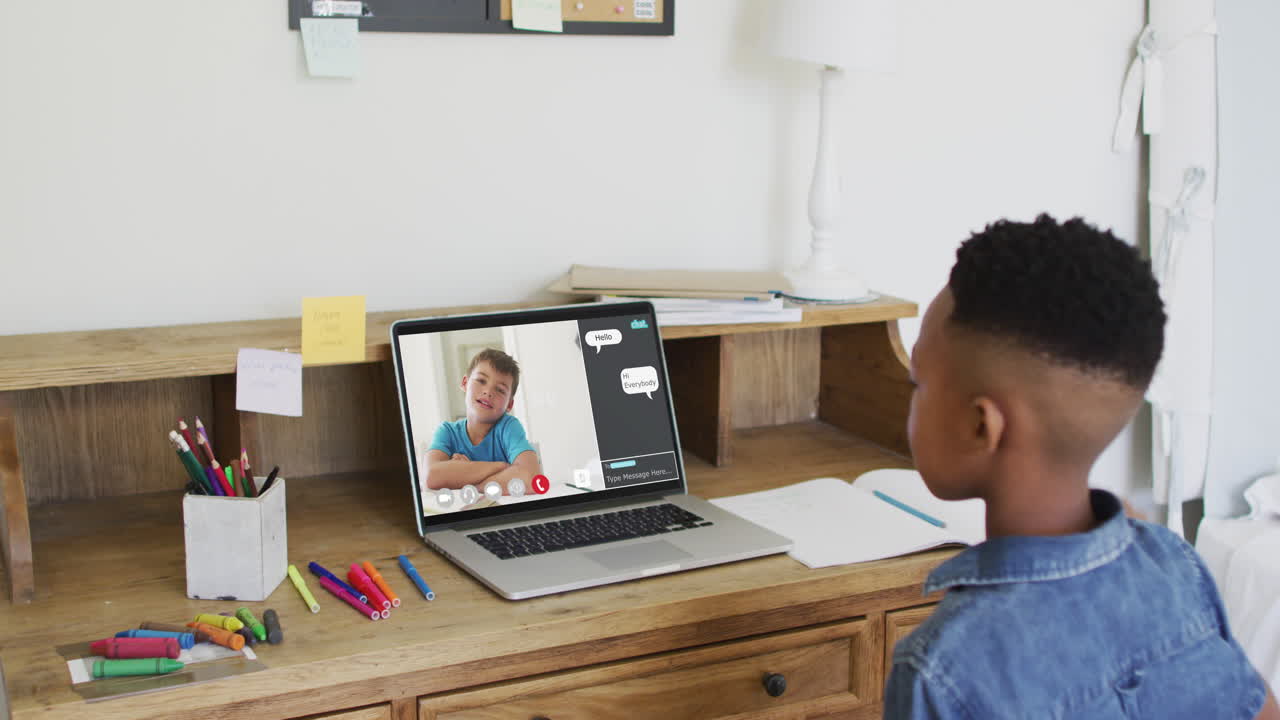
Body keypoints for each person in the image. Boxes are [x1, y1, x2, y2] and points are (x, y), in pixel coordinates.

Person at [885, 215, 1279, 719]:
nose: (910, 397)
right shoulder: (1173, 564)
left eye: (919, 382)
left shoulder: (943, 667)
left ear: (981, 425)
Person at [424, 348, 541, 494]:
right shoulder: (447, 431)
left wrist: (468, 481)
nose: (488, 392)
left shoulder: (509, 427)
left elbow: (532, 478)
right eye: (481, 380)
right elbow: (431, 477)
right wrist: (501, 467)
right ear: (465, 383)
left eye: (500, 390)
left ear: (509, 405)